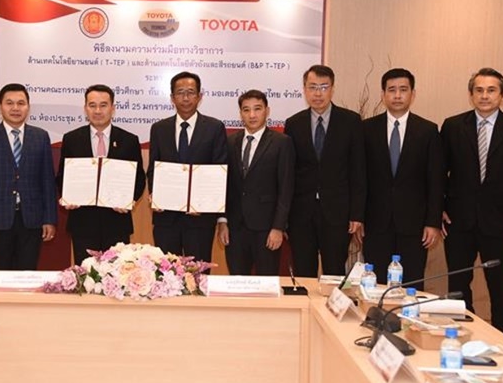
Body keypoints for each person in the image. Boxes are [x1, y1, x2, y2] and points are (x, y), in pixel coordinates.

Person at [441, 68, 503, 337]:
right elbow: (438, 173)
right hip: (458, 221)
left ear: (502, 95)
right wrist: (439, 209)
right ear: (471, 94)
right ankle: (460, 338)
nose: (485, 96)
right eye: (479, 90)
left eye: (491, 90)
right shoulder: (452, 126)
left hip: (501, 223)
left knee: (501, 288)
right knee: (458, 286)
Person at [359, 68, 444, 287]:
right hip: (375, 223)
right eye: (392, 90)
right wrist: (358, 218)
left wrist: (433, 222)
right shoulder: (366, 129)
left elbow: (435, 180)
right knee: (375, 285)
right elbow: (359, 178)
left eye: (403, 90)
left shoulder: (428, 131)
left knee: (412, 284)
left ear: (412, 94)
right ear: (383, 94)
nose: (397, 95)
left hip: (414, 225)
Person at [284, 64, 366, 277]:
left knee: (334, 272)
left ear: (332, 89)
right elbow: (288, 173)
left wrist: (357, 214)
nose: (318, 93)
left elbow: (358, 171)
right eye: (312, 87)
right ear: (304, 89)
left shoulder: (351, 121)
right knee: (303, 272)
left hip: (338, 213)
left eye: (323, 87)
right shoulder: (293, 123)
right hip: (301, 213)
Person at [57, 84, 146, 264]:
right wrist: (67, 197)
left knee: (117, 275)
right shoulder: (72, 139)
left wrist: (130, 200)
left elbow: (139, 178)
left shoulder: (129, 140)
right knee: (86, 274)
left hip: (117, 222)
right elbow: (62, 176)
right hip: (82, 222)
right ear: (85, 108)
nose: (98, 111)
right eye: (92, 105)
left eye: (103, 105)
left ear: (113, 108)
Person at [0, 83, 57, 270]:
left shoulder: (40, 137)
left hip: (32, 220)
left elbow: (48, 181)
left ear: (28, 107)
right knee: (0, 275)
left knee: (27, 275)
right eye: (9, 103)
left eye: (21, 103)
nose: (15, 108)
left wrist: (49, 219)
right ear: (0, 106)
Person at [146, 71, 227, 263]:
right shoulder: (159, 129)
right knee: (165, 272)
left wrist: (205, 204)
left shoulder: (214, 128)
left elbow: (219, 170)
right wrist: (155, 195)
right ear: (172, 97)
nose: (185, 98)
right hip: (166, 218)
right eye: (180, 92)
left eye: (191, 92)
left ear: (200, 96)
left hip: (200, 219)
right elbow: (153, 169)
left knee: (198, 272)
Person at [217, 90, 295, 276]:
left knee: (266, 283)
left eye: (257, 109)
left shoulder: (281, 142)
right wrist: (222, 221)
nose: (252, 115)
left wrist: (278, 227)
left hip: (266, 229)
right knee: (236, 283)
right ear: (240, 113)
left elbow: (286, 188)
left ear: (267, 111)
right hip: (235, 229)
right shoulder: (230, 141)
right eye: (246, 110)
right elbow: (224, 185)